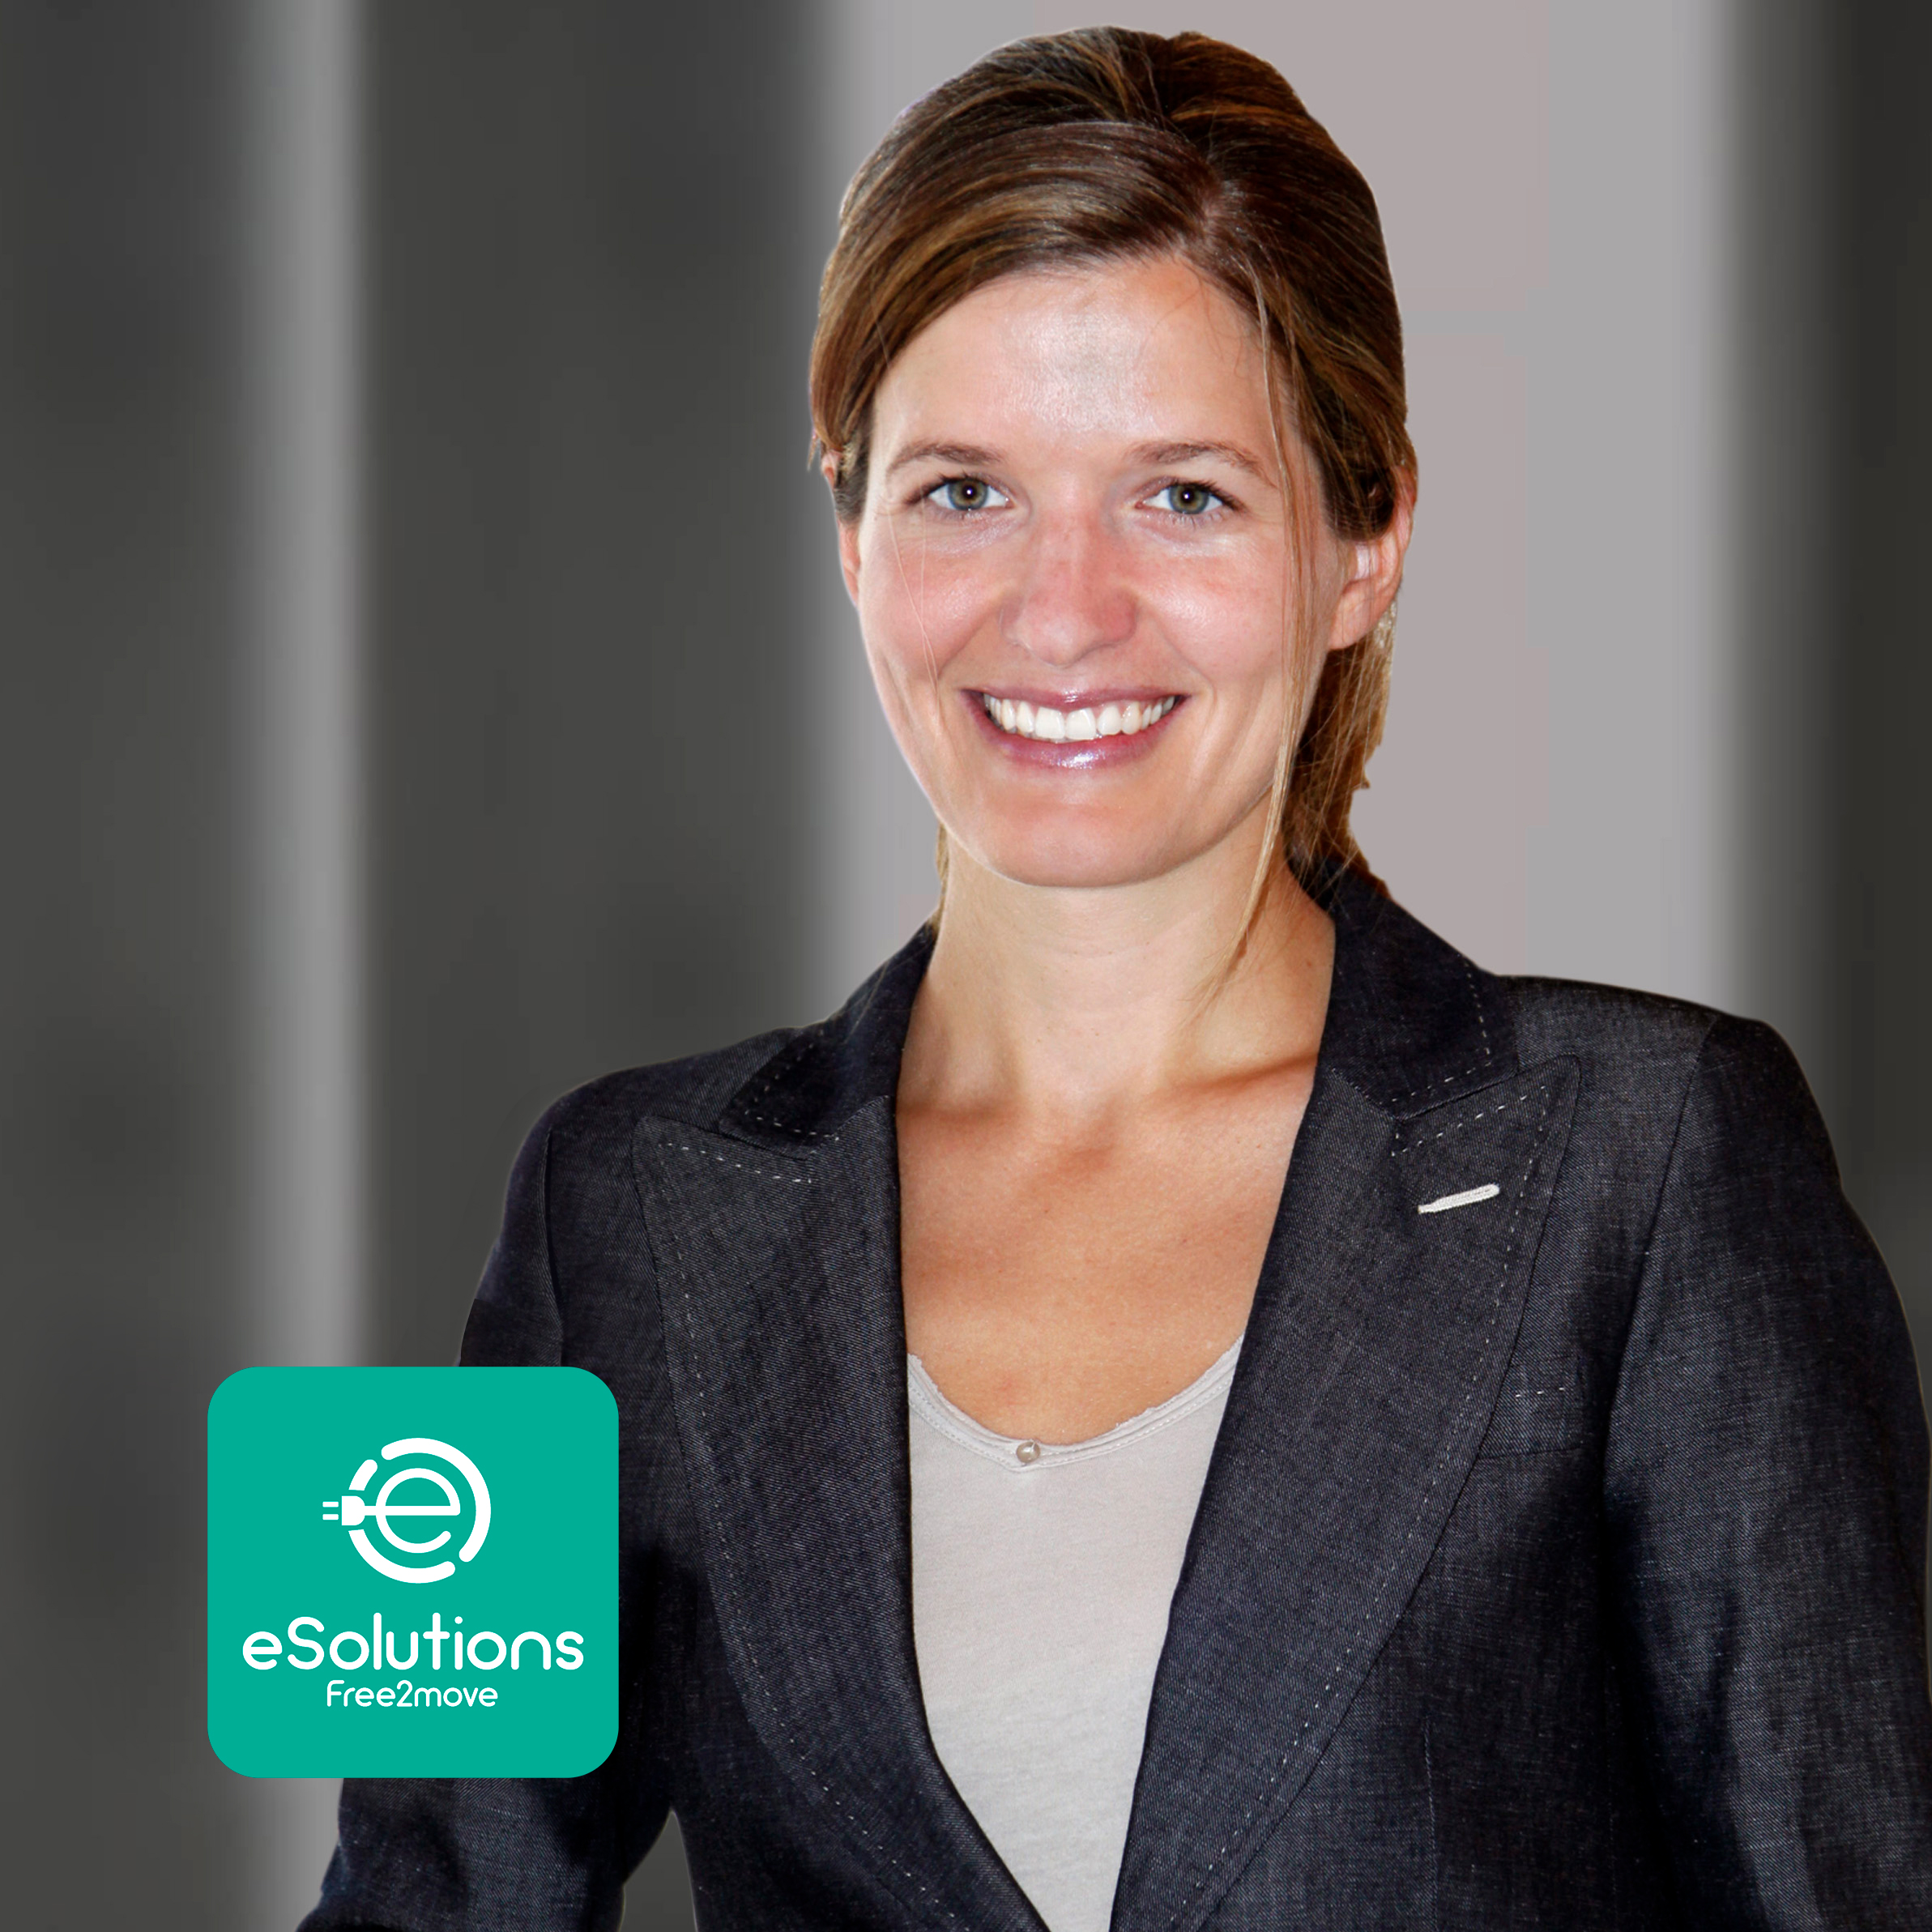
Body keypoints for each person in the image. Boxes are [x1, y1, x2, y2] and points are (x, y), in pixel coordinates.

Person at [303, 28, 1932, 1932]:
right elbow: (420, 1905)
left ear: (1363, 540)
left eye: (1181, 495)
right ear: (848, 533)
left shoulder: (1649, 1165)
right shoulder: (617, 1210)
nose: (1060, 609)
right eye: (962, 492)